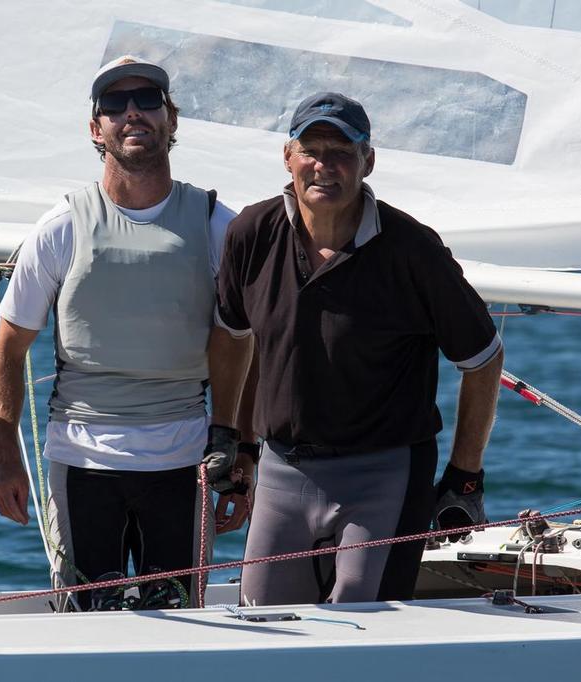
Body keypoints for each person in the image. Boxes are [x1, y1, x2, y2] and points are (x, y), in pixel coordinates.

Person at [207, 92, 503, 606]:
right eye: (312, 150)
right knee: (263, 627)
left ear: (369, 161)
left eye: (343, 151)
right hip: (282, 472)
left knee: (364, 623)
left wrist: (464, 477)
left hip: (383, 476)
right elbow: (237, 337)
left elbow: (483, 359)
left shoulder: (413, 250)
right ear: (287, 157)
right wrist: (234, 439)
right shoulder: (250, 234)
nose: (325, 165)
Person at [0, 56, 243, 610]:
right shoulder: (60, 228)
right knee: (84, 622)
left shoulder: (219, 225)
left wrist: (245, 452)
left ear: (171, 118)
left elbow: (243, 346)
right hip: (81, 465)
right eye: (114, 104)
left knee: (180, 622)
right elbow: (8, 349)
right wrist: (6, 457)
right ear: (94, 128)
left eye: (148, 100)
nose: (133, 113)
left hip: (184, 463)